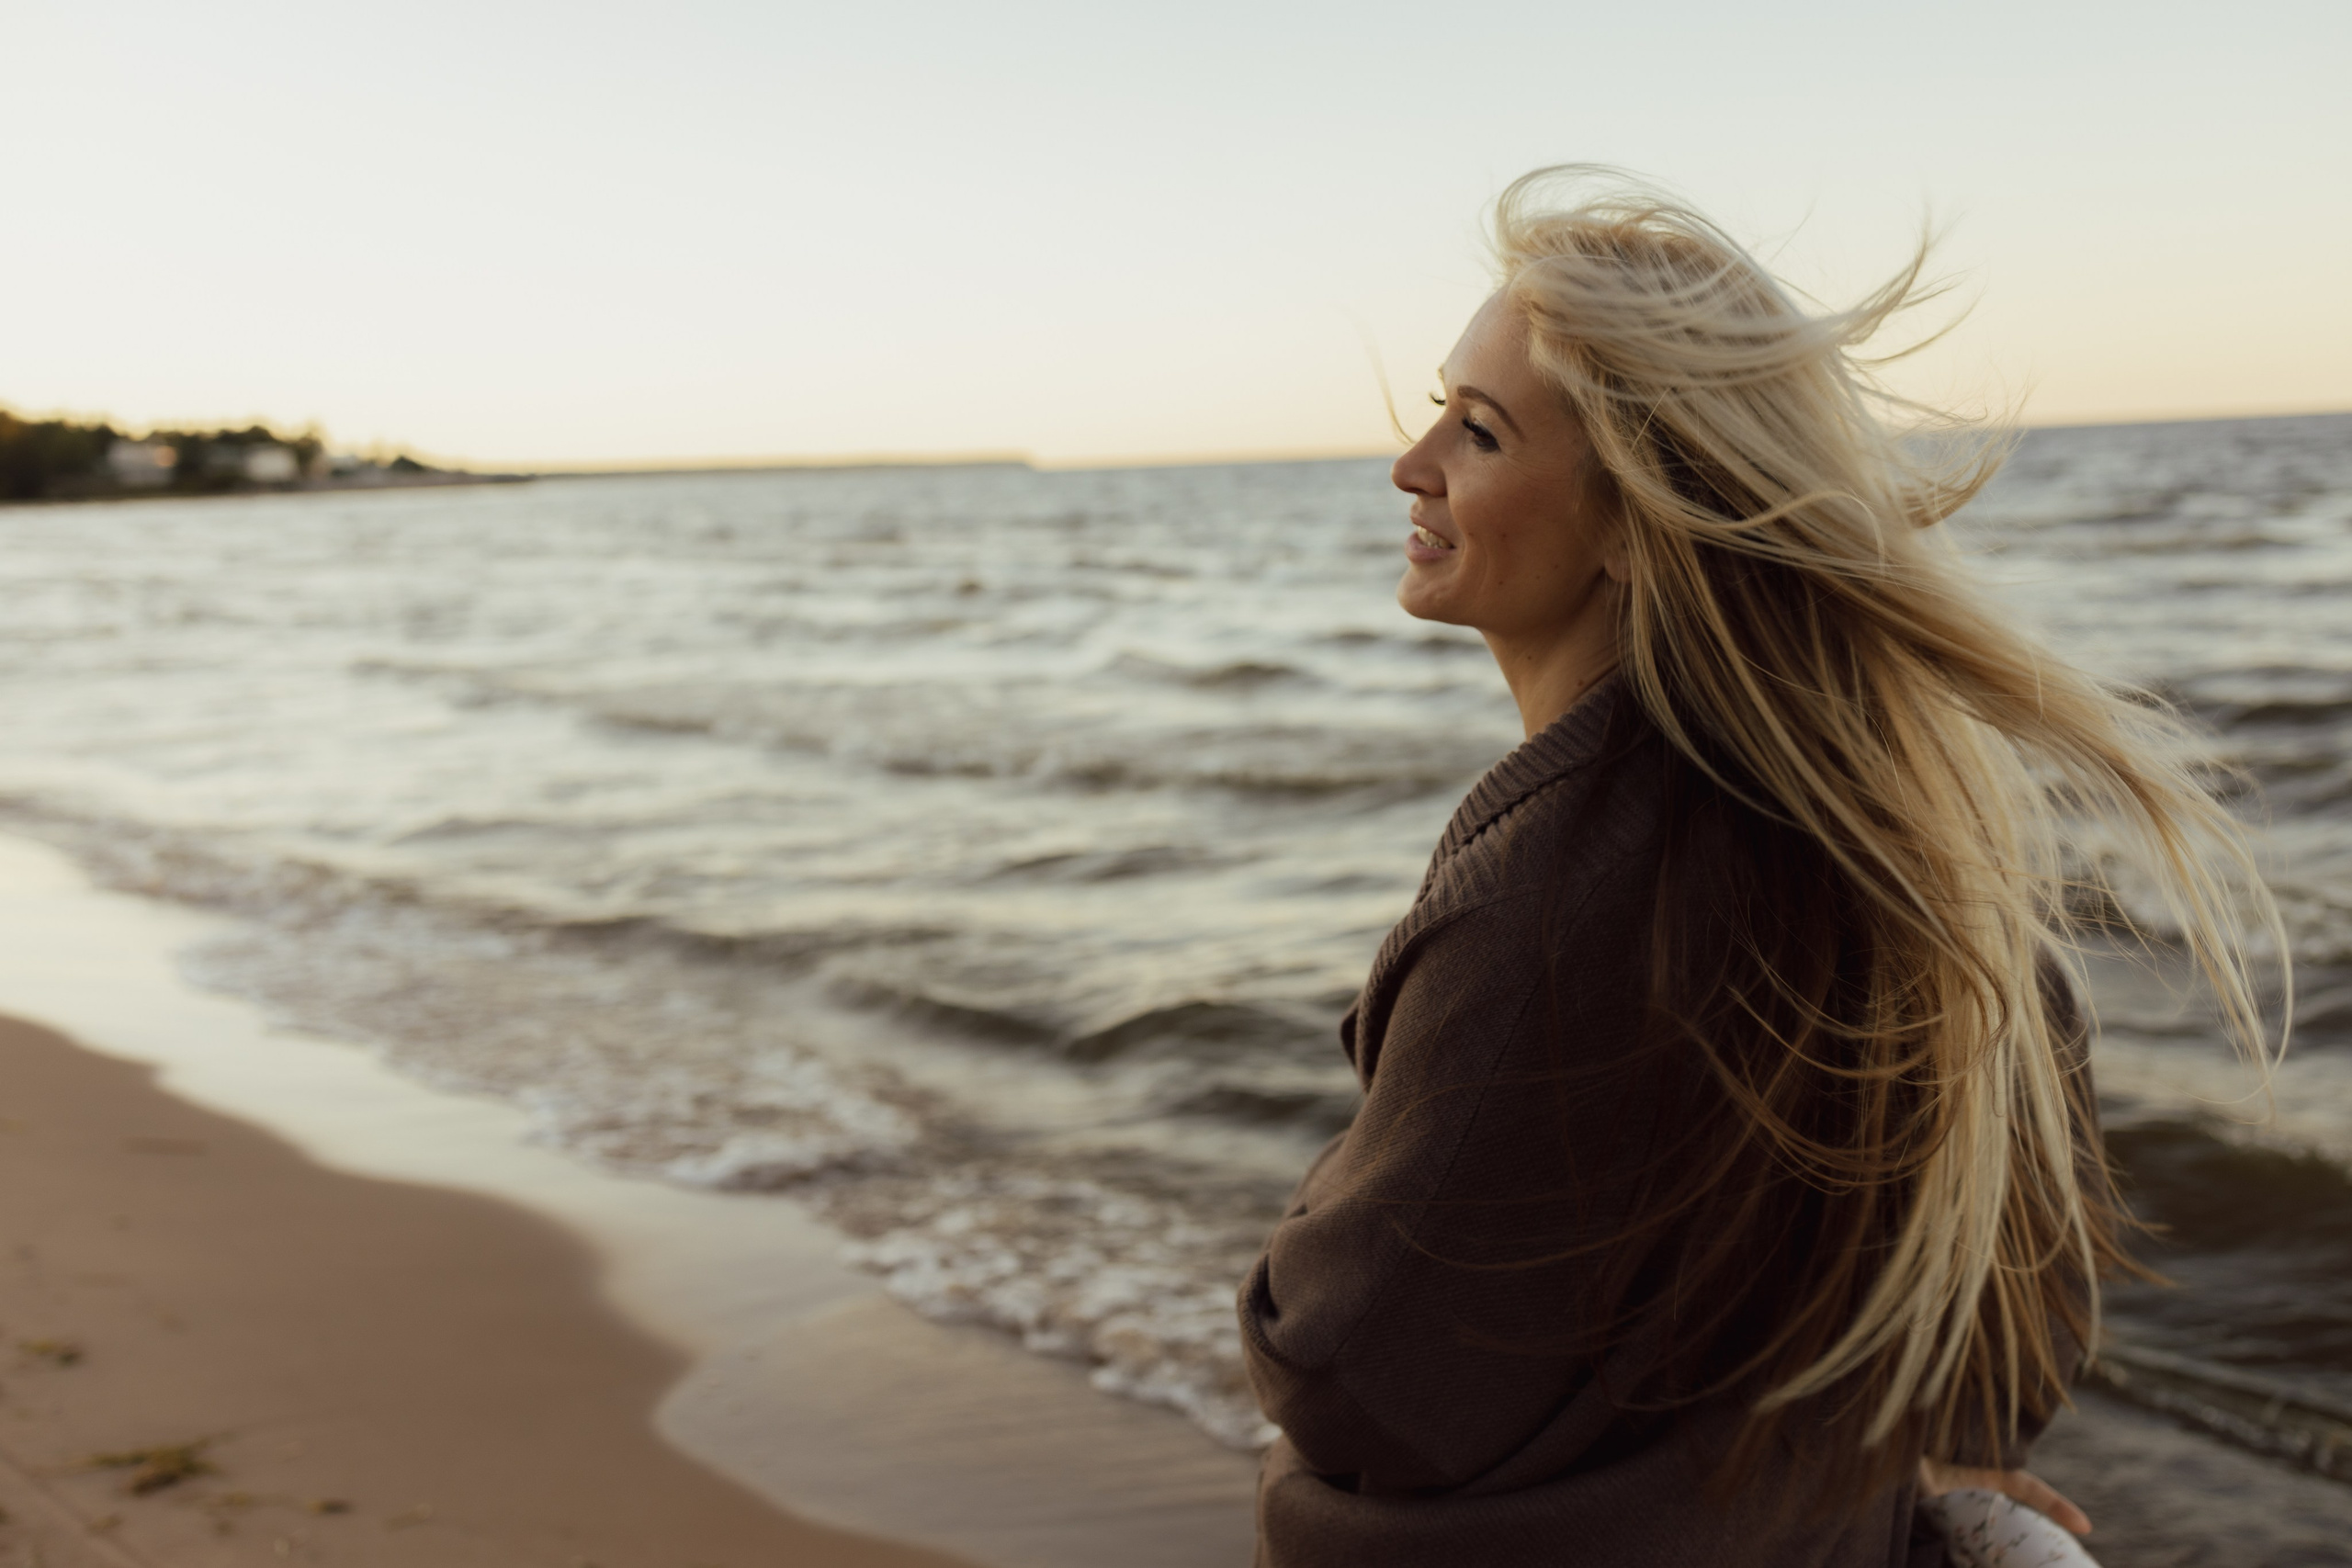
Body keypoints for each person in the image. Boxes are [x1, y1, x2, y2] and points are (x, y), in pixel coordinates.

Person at [1236, 168, 2281, 1566]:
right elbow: (2029, 1255)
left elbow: (1355, 1371)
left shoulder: (1544, 896)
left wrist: (1314, 1229)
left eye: (1478, 432)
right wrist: (1954, 1446)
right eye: (1439, 409)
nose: (1410, 464)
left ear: (1634, 517)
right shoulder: (1883, 833)